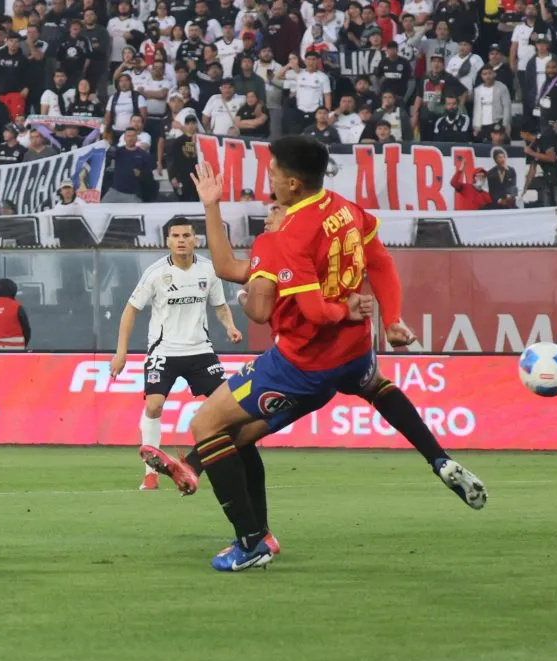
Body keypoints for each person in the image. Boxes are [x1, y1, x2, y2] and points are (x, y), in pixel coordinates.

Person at [142, 147, 487, 572]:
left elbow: (304, 309)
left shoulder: (286, 239)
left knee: (205, 424)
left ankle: (252, 542)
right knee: (353, 393)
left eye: (273, 175)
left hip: (302, 363)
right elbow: (380, 262)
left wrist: (339, 309)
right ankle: (438, 458)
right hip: (355, 352)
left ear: (292, 184)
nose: (268, 183)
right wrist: (391, 319)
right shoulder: (345, 209)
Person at [111, 217, 244, 492]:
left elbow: (219, 306)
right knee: (154, 405)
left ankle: (201, 464)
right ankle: (151, 473)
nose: (181, 240)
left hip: (201, 350)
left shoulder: (208, 270)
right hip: (164, 350)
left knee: (228, 409)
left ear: (196, 239)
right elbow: (130, 311)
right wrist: (120, 353)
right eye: (176, 235)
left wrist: (230, 326)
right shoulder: (155, 273)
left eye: (186, 235)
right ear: (168, 241)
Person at [0, 278, 31, 351]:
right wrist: (24, 346)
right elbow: (26, 330)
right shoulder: (17, 307)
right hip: (16, 350)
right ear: (13, 291)